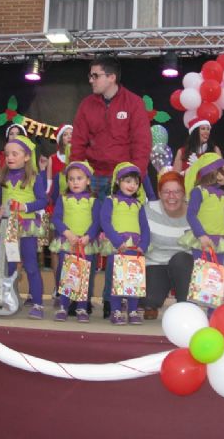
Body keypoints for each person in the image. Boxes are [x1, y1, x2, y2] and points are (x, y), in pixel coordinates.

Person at [70, 55, 152, 317]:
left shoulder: (134, 103)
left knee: (119, 241)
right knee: (86, 236)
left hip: (121, 182)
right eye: (90, 75)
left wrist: (133, 179)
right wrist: (77, 176)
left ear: (111, 77)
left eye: (95, 75)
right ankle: (78, 297)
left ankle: (111, 301)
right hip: (92, 179)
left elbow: (141, 144)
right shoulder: (86, 105)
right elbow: (78, 143)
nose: (91, 80)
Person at [0, 135, 48, 319]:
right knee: (3, 263)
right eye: (7, 154)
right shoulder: (3, 177)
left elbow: (43, 201)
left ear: (27, 156)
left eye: (15, 153)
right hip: (7, 226)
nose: (10, 157)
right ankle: (7, 297)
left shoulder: (34, 177)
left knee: (30, 265)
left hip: (26, 225)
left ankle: (37, 303)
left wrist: (25, 207)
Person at [181, 153, 224, 316]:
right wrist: (201, 235)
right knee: (201, 276)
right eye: (221, 171)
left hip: (220, 242)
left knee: (215, 277)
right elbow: (191, 215)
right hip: (202, 241)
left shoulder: (223, 195)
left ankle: (212, 313)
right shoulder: (198, 191)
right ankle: (194, 311)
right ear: (210, 172)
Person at [100, 162, 150, 325]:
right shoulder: (110, 200)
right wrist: (117, 241)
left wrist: (144, 244)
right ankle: (115, 310)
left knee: (133, 280)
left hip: (135, 248)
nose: (132, 185)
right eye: (128, 181)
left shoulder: (138, 205)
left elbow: (145, 227)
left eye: (135, 182)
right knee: (118, 280)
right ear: (117, 181)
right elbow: (105, 222)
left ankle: (133, 310)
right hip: (118, 247)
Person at [49, 161, 100, 323]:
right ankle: (64, 306)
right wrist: (67, 233)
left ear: (88, 180)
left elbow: (97, 222)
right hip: (68, 242)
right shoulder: (63, 199)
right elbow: (56, 218)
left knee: (84, 276)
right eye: (71, 179)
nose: (75, 182)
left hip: (86, 244)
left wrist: (87, 237)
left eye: (79, 178)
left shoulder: (93, 200)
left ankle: (82, 307)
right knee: (67, 276)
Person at [140, 170, 193, 320]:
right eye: (166, 192)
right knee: (150, 299)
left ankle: (185, 306)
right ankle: (152, 303)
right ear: (159, 193)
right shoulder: (148, 210)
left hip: (183, 264)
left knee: (181, 259)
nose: (171, 197)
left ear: (184, 193)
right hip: (155, 262)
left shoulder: (193, 213)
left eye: (177, 192)